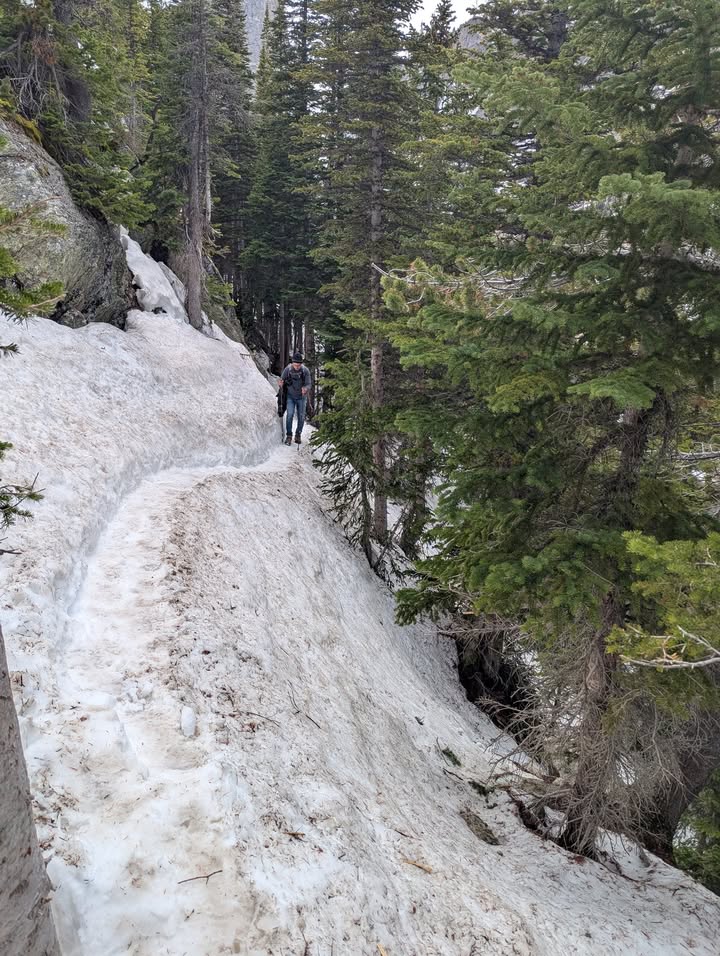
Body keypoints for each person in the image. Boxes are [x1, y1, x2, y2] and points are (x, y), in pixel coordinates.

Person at [279, 351, 311, 445]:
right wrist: (281, 383)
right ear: (292, 363)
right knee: (290, 415)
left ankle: (298, 434)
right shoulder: (288, 369)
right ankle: (289, 436)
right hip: (290, 396)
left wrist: (305, 388)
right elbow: (282, 380)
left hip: (302, 397)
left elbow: (309, 384)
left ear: (301, 364)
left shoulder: (305, 371)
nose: (297, 367)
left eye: (298, 365)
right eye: (295, 365)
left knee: (301, 416)